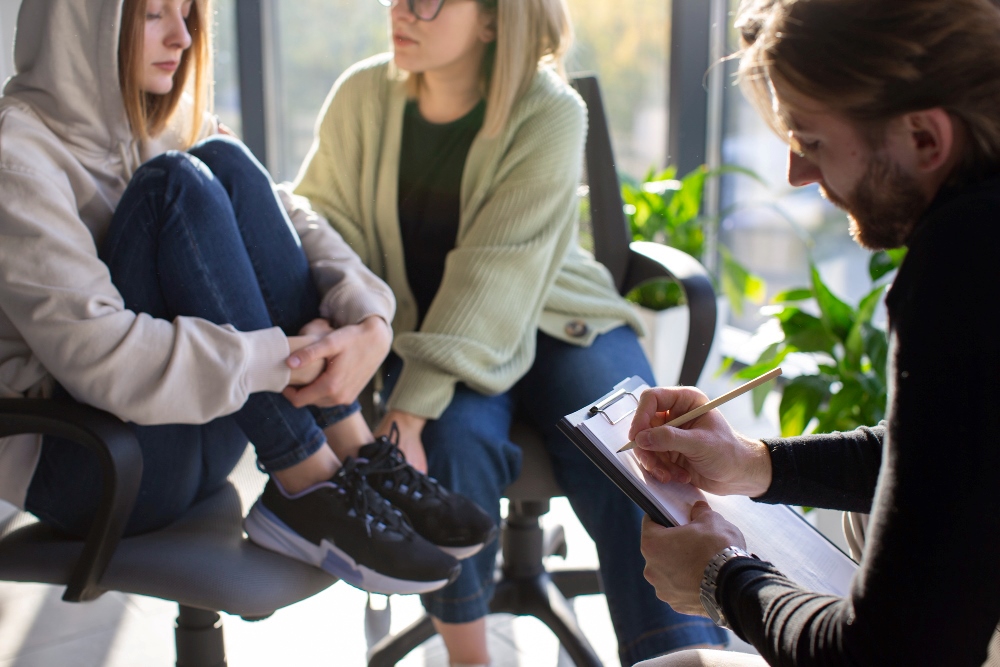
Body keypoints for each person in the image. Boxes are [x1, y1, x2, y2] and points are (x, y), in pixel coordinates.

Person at [0, 0, 495, 597]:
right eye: (154, 14)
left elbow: (288, 216)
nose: (182, 37)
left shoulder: (165, 116)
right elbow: (103, 357)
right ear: (82, 22)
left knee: (226, 162)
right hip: (96, 467)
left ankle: (353, 450)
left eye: (187, 12)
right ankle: (305, 482)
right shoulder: (16, 158)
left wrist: (369, 317)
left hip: (200, 437)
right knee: (172, 185)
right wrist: (286, 358)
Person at [290, 0, 729, 663]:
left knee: (636, 456)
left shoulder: (549, 109)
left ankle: (684, 657)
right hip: (436, 335)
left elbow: (491, 278)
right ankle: (472, 656)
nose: (402, 10)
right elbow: (322, 226)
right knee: (453, 446)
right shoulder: (362, 96)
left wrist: (405, 413)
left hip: (558, 320)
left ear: (494, 19)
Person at [628, 0, 1000, 665]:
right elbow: (951, 457)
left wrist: (722, 580)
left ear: (924, 137)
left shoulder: (969, 255)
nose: (797, 173)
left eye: (812, 140)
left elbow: (887, 653)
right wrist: (751, 462)